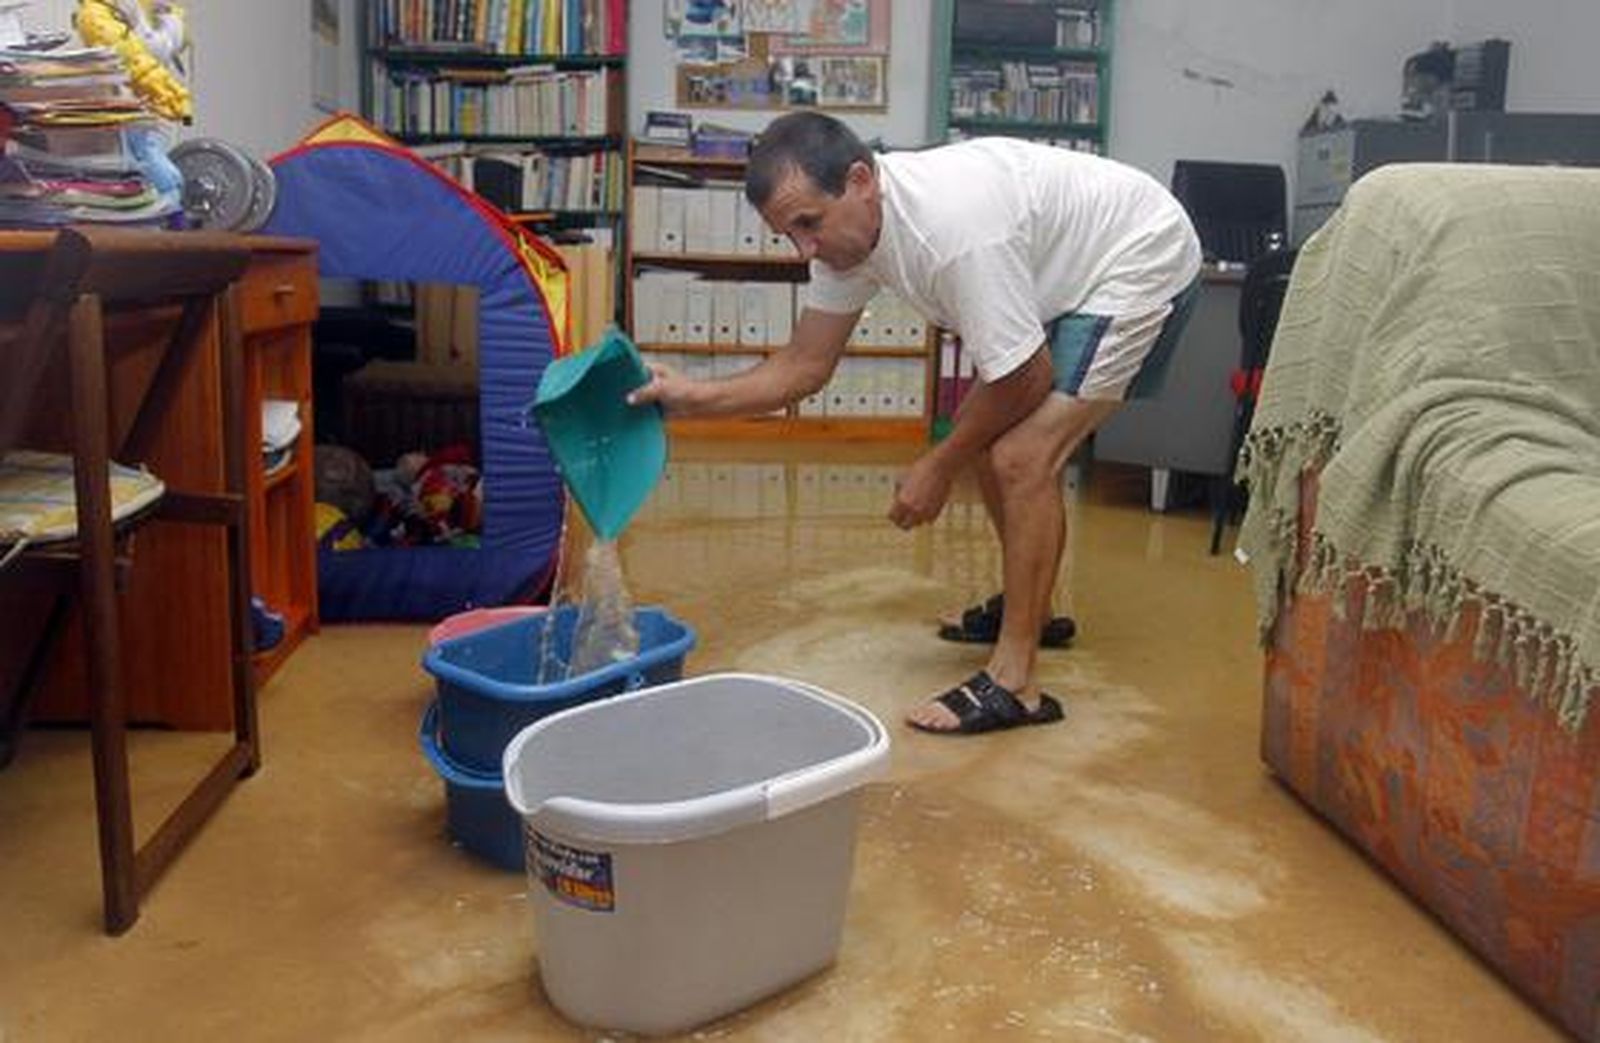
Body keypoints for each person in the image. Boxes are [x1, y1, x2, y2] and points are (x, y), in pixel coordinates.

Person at [629, 112, 1202, 736]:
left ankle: (1017, 684)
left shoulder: (950, 231)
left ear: (860, 181)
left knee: (1019, 455)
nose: (804, 251)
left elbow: (1025, 378)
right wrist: (687, 398)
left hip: (1139, 254)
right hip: (1064, 272)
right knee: (988, 435)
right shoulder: (845, 241)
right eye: (788, 234)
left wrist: (936, 464)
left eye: (808, 225)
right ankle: (1031, 609)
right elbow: (803, 367)